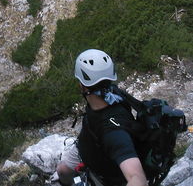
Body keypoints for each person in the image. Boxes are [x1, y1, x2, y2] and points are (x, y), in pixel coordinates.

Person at [55, 49, 148, 186]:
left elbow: (137, 179)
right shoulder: (114, 94)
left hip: (103, 163)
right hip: (89, 144)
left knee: (63, 172)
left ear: (82, 85)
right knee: (62, 169)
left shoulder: (114, 133)